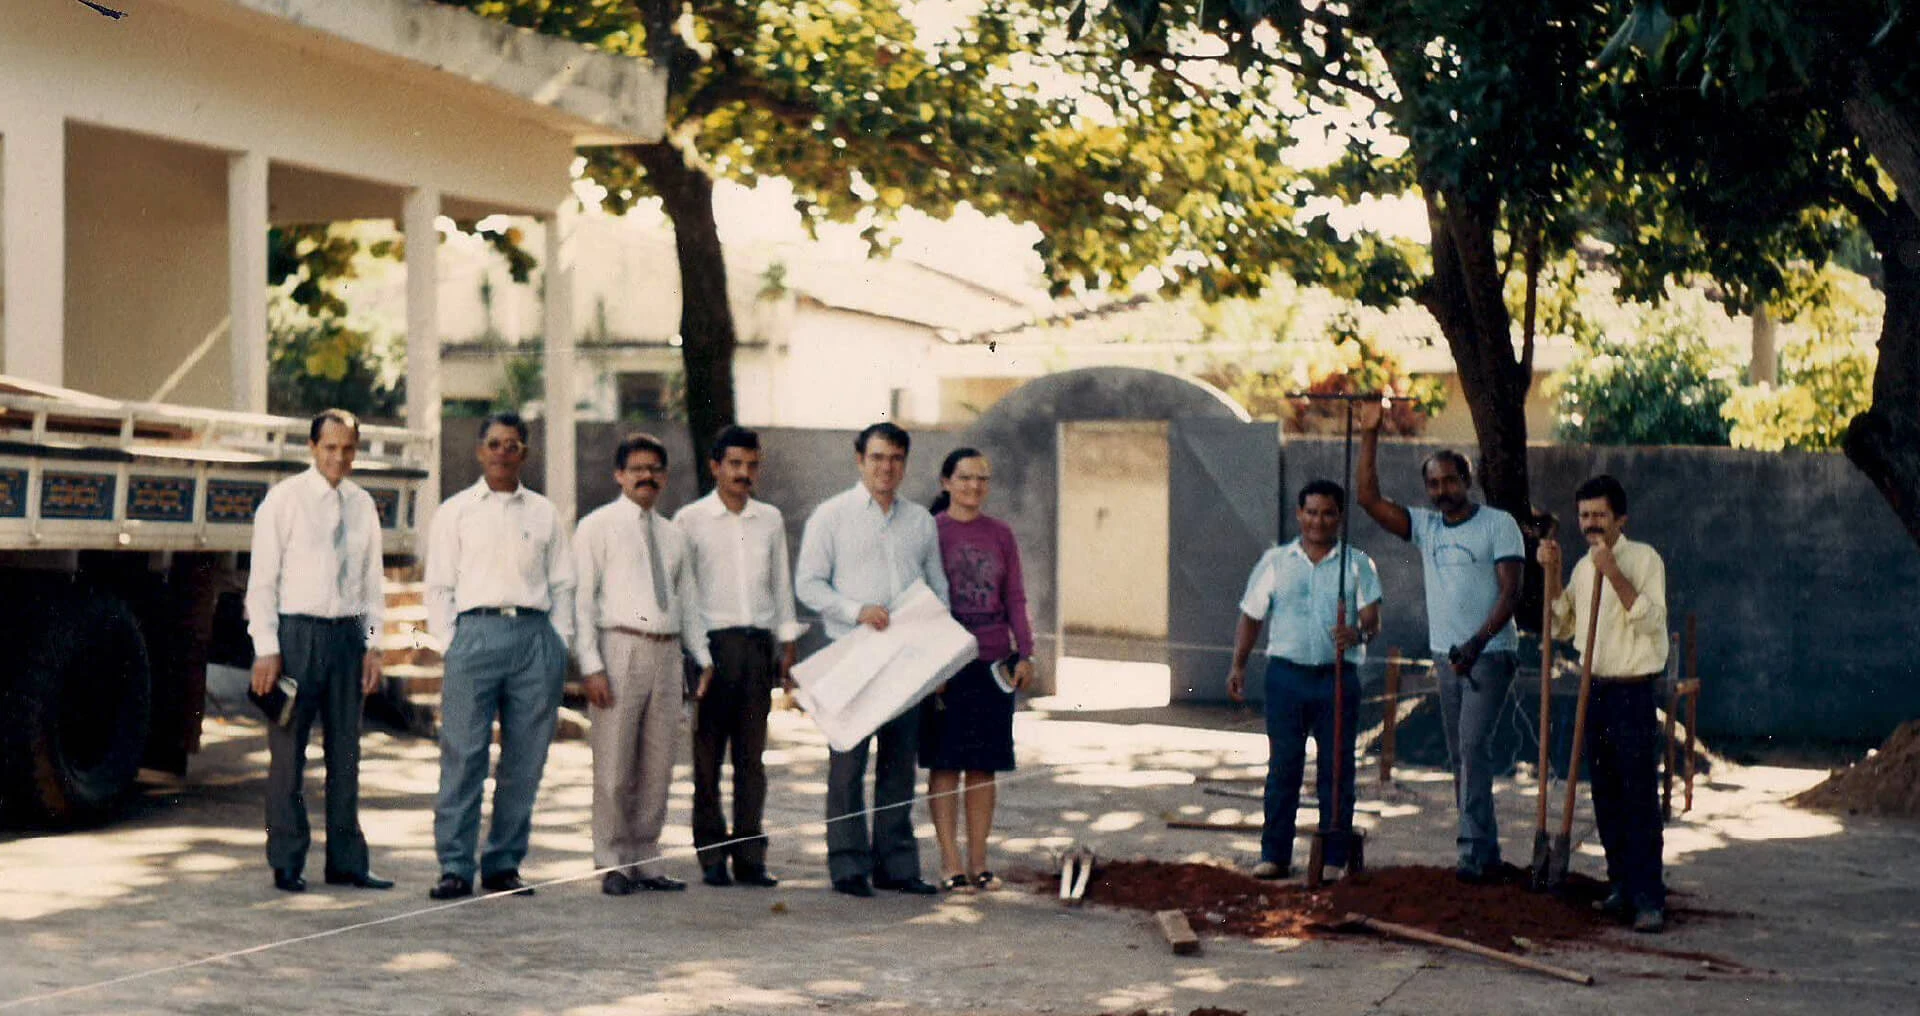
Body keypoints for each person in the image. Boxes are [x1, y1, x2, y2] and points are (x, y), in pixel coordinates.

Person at [1354, 400, 1523, 883]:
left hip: (1489, 654)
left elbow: (1512, 593)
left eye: (1450, 481)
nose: (1441, 491)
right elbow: (1368, 499)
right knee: (1461, 754)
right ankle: (1482, 852)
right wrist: (1370, 433)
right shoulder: (1426, 527)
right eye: (1433, 483)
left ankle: (1471, 854)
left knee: (1472, 747)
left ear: (1466, 481)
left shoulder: (1497, 524)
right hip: (1447, 658)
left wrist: (1475, 643)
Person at [424, 412, 576, 900]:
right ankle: (454, 864)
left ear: (524, 454)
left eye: (512, 445)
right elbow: (439, 585)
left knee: (525, 759)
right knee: (465, 754)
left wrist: (558, 643)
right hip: (475, 635)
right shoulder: (456, 511)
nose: (502, 453)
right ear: (479, 450)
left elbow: (563, 584)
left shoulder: (544, 513)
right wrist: (453, 642)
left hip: (534, 637)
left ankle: (504, 863)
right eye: (494, 444)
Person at [795, 422, 950, 898]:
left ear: (905, 463)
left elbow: (937, 586)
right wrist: (855, 610)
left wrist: (939, 656)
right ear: (859, 459)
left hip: (905, 658)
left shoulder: (920, 521)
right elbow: (808, 584)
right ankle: (847, 865)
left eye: (896, 459)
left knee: (899, 765)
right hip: (851, 654)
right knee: (848, 765)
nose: (887, 467)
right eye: (878, 457)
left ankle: (897, 866)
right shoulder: (832, 516)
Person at [246, 409, 393, 893]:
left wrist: (373, 646)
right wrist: (267, 648)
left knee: (346, 753)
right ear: (313, 448)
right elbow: (263, 581)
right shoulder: (284, 501)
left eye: (348, 448)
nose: (339, 457)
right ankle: (287, 859)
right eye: (330, 447)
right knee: (288, 753)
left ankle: (347, 861)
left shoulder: (362, 505)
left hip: (347, 638)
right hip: (296, 637)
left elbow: (373, 583)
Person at [573, 433, 710, 896]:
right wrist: (590, 664)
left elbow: (688, 601)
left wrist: (702, 655)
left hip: (667, 652)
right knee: (614, 762)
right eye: (637, 469)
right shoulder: (597, 527)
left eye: (655, 469)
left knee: (658, 761)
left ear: (664, 477)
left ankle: (646, 857)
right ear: (619, 475)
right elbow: (581, 601)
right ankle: (611, 861)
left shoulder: (673, 536)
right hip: (620, 648)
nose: (646, 477)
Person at [1227, 479, 1382, 881]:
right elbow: (1251, 616)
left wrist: (1358, 635)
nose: (1318, 521)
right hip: (1286, 679)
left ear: (1339, 516)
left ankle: (1333, 858)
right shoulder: (1275, 561)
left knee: (1336, 769)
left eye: (1328, 513)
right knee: (1284, 768)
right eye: (1311, 512)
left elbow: (1371, 620)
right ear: (1299, 514)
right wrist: (1238, 665)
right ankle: (1275, 854)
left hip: (1337, 680)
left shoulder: (1358, 563)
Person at [1538, 474, 1670, 933]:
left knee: (1638, 796)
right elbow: (1561, 626)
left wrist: (1613, 571)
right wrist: (1553, 572)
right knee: (1607, 793)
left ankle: (1649, 897)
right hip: (1595, 689)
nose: (1591, 523)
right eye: (1584, 515)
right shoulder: (1579, 566)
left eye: (1600, 515)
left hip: (1633, 690)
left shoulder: (1644, 559)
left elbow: (1652, 624)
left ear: (1620, 519)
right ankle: (1620, 886)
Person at [675, 426, 803, 889]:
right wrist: (696, 655)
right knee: (707, 758)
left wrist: (787, 645)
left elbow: (780, 585)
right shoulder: (689, 520)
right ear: (715, 467)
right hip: (711, 648)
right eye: (734, 464)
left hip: (756, 648)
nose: (743, 473)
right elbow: (684, 593)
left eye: (751, 465)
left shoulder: (769, 519)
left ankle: (750, 855)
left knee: (752, 759)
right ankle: (711, 856)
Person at [920, 448, 1035, 892]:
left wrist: (1025, 652)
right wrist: (934, 663)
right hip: (946, 664)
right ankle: (950, 863)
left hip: (992, 663)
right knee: (946, 765)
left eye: (982, 479)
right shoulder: (930, 532)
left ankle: (979, 862)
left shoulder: (1001, 534)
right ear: (946, 482)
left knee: (983, 768)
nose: (974, 487)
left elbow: (1016, 598)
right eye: (965, 478)